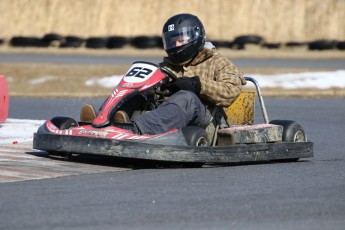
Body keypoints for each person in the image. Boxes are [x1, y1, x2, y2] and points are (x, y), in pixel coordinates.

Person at [80, 13, 246, 135]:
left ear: (195, 36)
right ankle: (101, 122)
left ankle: (134, 128)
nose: (176, 44)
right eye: (172, 40)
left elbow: (230, 91)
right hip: (166, 115)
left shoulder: (217, 61)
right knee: (139, 92)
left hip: (203, 119)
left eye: (180, 39)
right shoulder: (167, 66)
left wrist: (197, 85)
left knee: (186, 98)